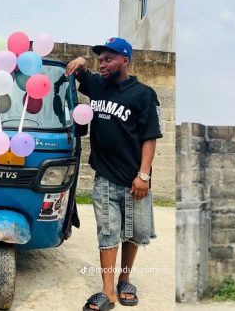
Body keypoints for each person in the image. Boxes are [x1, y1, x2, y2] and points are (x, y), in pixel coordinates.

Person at [64, 37, 162, 311]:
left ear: (125, 61)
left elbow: (150, 137)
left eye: (108, 59)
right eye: (100, 59)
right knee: (108, 232)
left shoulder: (144, 94)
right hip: (105, 176)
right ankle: (108, 292)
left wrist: (143, 175)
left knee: (132, 233)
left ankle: (125, 279)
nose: (102, 64)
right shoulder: (98, 85)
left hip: (135, 180)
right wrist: (83, 62)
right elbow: (82, 71)